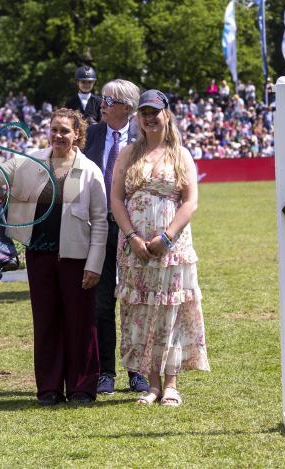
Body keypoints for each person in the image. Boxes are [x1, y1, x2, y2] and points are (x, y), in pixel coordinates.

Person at [0, 108, 107, 405]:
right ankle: (49, 388)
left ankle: (82, 387)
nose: (58, 135)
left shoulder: (90, 170)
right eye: (54, 129)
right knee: (46, 323)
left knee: (81, 323)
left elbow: (100, 221)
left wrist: (94, 264)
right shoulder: (29, 161)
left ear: (78, 135)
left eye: (65, 131)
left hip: (77, 259)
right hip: (40, 255)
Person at [110, 90, 210, 406]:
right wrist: (132, 237)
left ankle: (170, 384)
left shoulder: (180, 154)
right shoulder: (129, 153)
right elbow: (115, 198)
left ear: (166, 114)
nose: (150, 118)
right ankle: (151, 384)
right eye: (144, 113)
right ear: (138, 118)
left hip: (172, 248)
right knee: (141, 310)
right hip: (134, 247)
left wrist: (166, 237)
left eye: (155, 112)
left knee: (170, 311)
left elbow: (190, 201)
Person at [84, 79, 149, 395]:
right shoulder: (91, 135)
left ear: (127, 107)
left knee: (135, 302)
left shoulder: (144, 138)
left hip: (134, 231)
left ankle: (138, 370)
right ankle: (105, 371)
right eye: (102, 98)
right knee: (101, 302)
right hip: (97, 229)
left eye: (108, 100)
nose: (102, 104)